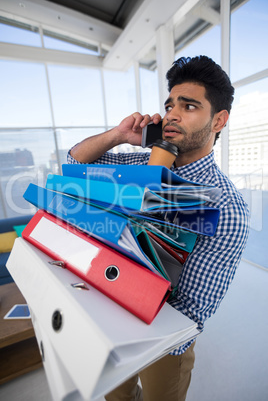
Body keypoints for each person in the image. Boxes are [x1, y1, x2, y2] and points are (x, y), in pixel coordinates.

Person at [67, 56, 249, 401]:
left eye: (189, 106)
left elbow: (190, 310)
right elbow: (75, 161)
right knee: (115, 395)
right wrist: (119, 135)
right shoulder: (139, 161)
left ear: (219, 120)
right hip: (106, 309)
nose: (171, 115)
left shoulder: (225, 207)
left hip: (162, 339)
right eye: (169, 105)